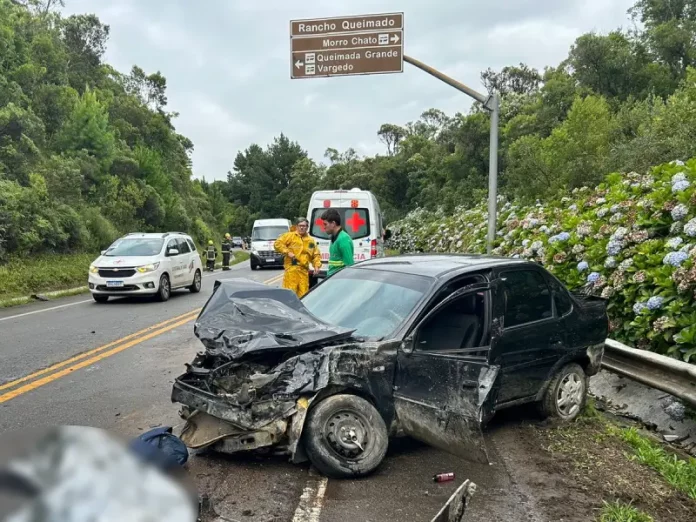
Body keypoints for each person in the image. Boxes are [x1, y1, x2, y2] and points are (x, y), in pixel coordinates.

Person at [274, 218, 321, 298]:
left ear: (307, 227)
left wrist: (316, 265)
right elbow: (277, 244)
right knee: (290, 295)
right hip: (291, 271)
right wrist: (287, 252)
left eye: (304, 226)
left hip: (303, 272)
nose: (302, 228)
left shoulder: (310, 241)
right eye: (300, 226)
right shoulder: (290, 236)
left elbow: (315, 254)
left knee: (304, 295)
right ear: (296, 226)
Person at [321, 208, 354, 277]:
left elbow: (349, 265)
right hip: (333, 279)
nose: (323, 227)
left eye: (325, 224)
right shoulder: (334, 237)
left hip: (339, 280)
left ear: (333, 224)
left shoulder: (343, 239)